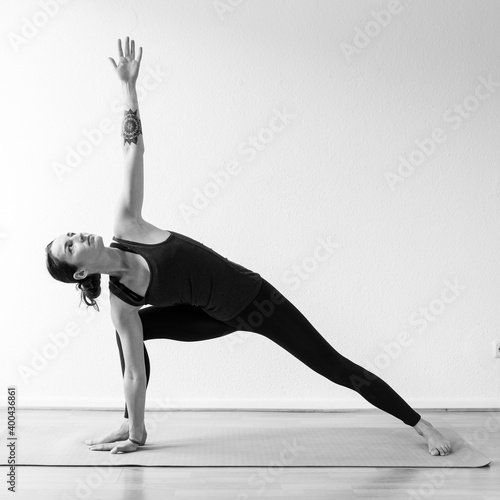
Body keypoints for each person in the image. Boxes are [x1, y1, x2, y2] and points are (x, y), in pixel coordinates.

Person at [45, 37, 452, 457]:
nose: (78, 237)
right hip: (212, 317)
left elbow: (133, 151)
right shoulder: (121, 301)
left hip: (256, 299)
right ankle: (133, 427)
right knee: (130, 331)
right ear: (79, 272)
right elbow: (132, 372)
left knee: (332, 365)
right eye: (70, 247)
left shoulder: (127, 224)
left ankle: (422, 426)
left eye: (72, 234)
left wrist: (128, 89)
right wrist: (137, 428)